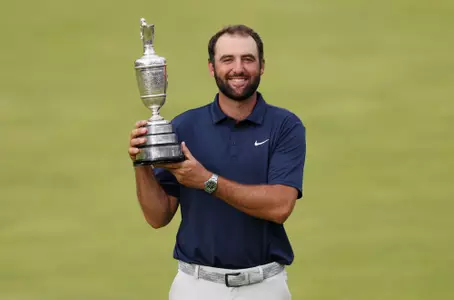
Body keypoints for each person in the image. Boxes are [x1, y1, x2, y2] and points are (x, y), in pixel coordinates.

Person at [128, 24, 306, 300]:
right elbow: (157, 216)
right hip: (196, 287)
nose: (238, 68)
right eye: (227, 60)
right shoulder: (185, 126)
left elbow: (280, 206)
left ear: (261, 66)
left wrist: (207, 181)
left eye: (248, 59)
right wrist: (141, 163)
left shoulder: (284, 126)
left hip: (264, 286)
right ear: (212, 68)